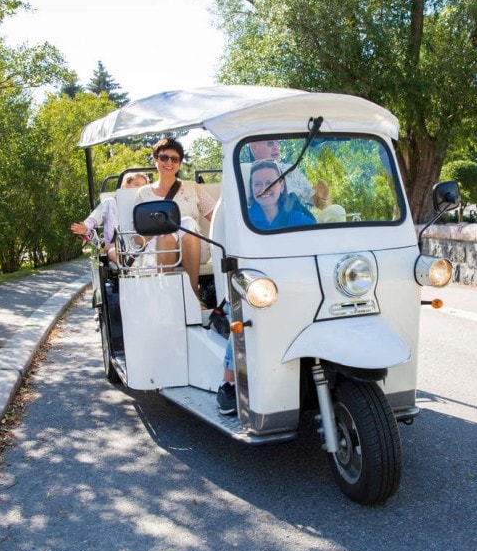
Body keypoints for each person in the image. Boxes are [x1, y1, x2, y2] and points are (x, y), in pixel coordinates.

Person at [217, 160, 315, 415]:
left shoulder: (300, 217)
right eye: (257, 184)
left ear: (281, 185)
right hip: (258, 287)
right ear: (251, 188)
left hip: (295, 288)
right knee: (242, 314)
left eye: (270, 182)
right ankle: (228, 381)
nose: (264, 188)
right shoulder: (242, 218)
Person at [134, 137, 215, 301]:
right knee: (166, 231)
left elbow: (216, 216)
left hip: (194, 248)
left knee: (188, 223)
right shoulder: (144, 193)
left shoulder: (192, 188)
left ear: (179, 163)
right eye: (164, 157)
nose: (169, 162)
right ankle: (167, 295)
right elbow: (138, 239)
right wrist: (160, 226)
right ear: (155, 159)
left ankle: (193, 293)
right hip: (161, 250)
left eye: (175, 159)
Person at [70, 172, 149, 261]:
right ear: (126, 185)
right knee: (112, 251)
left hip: (142, 245)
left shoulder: (147, 204)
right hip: (117, 245)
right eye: (137, 184)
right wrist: (86, 227)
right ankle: (132, 266)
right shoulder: (110, 203)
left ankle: (134, 264)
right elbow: (95, 218)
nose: (140, 188)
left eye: (143, 186)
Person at [249, 139, 315, 208]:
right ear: (255, 147)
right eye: (270, 143)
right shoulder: (243, 174)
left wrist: (320, 196)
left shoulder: (291, 170)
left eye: (277, 143)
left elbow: (313, 200)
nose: (276, 147)